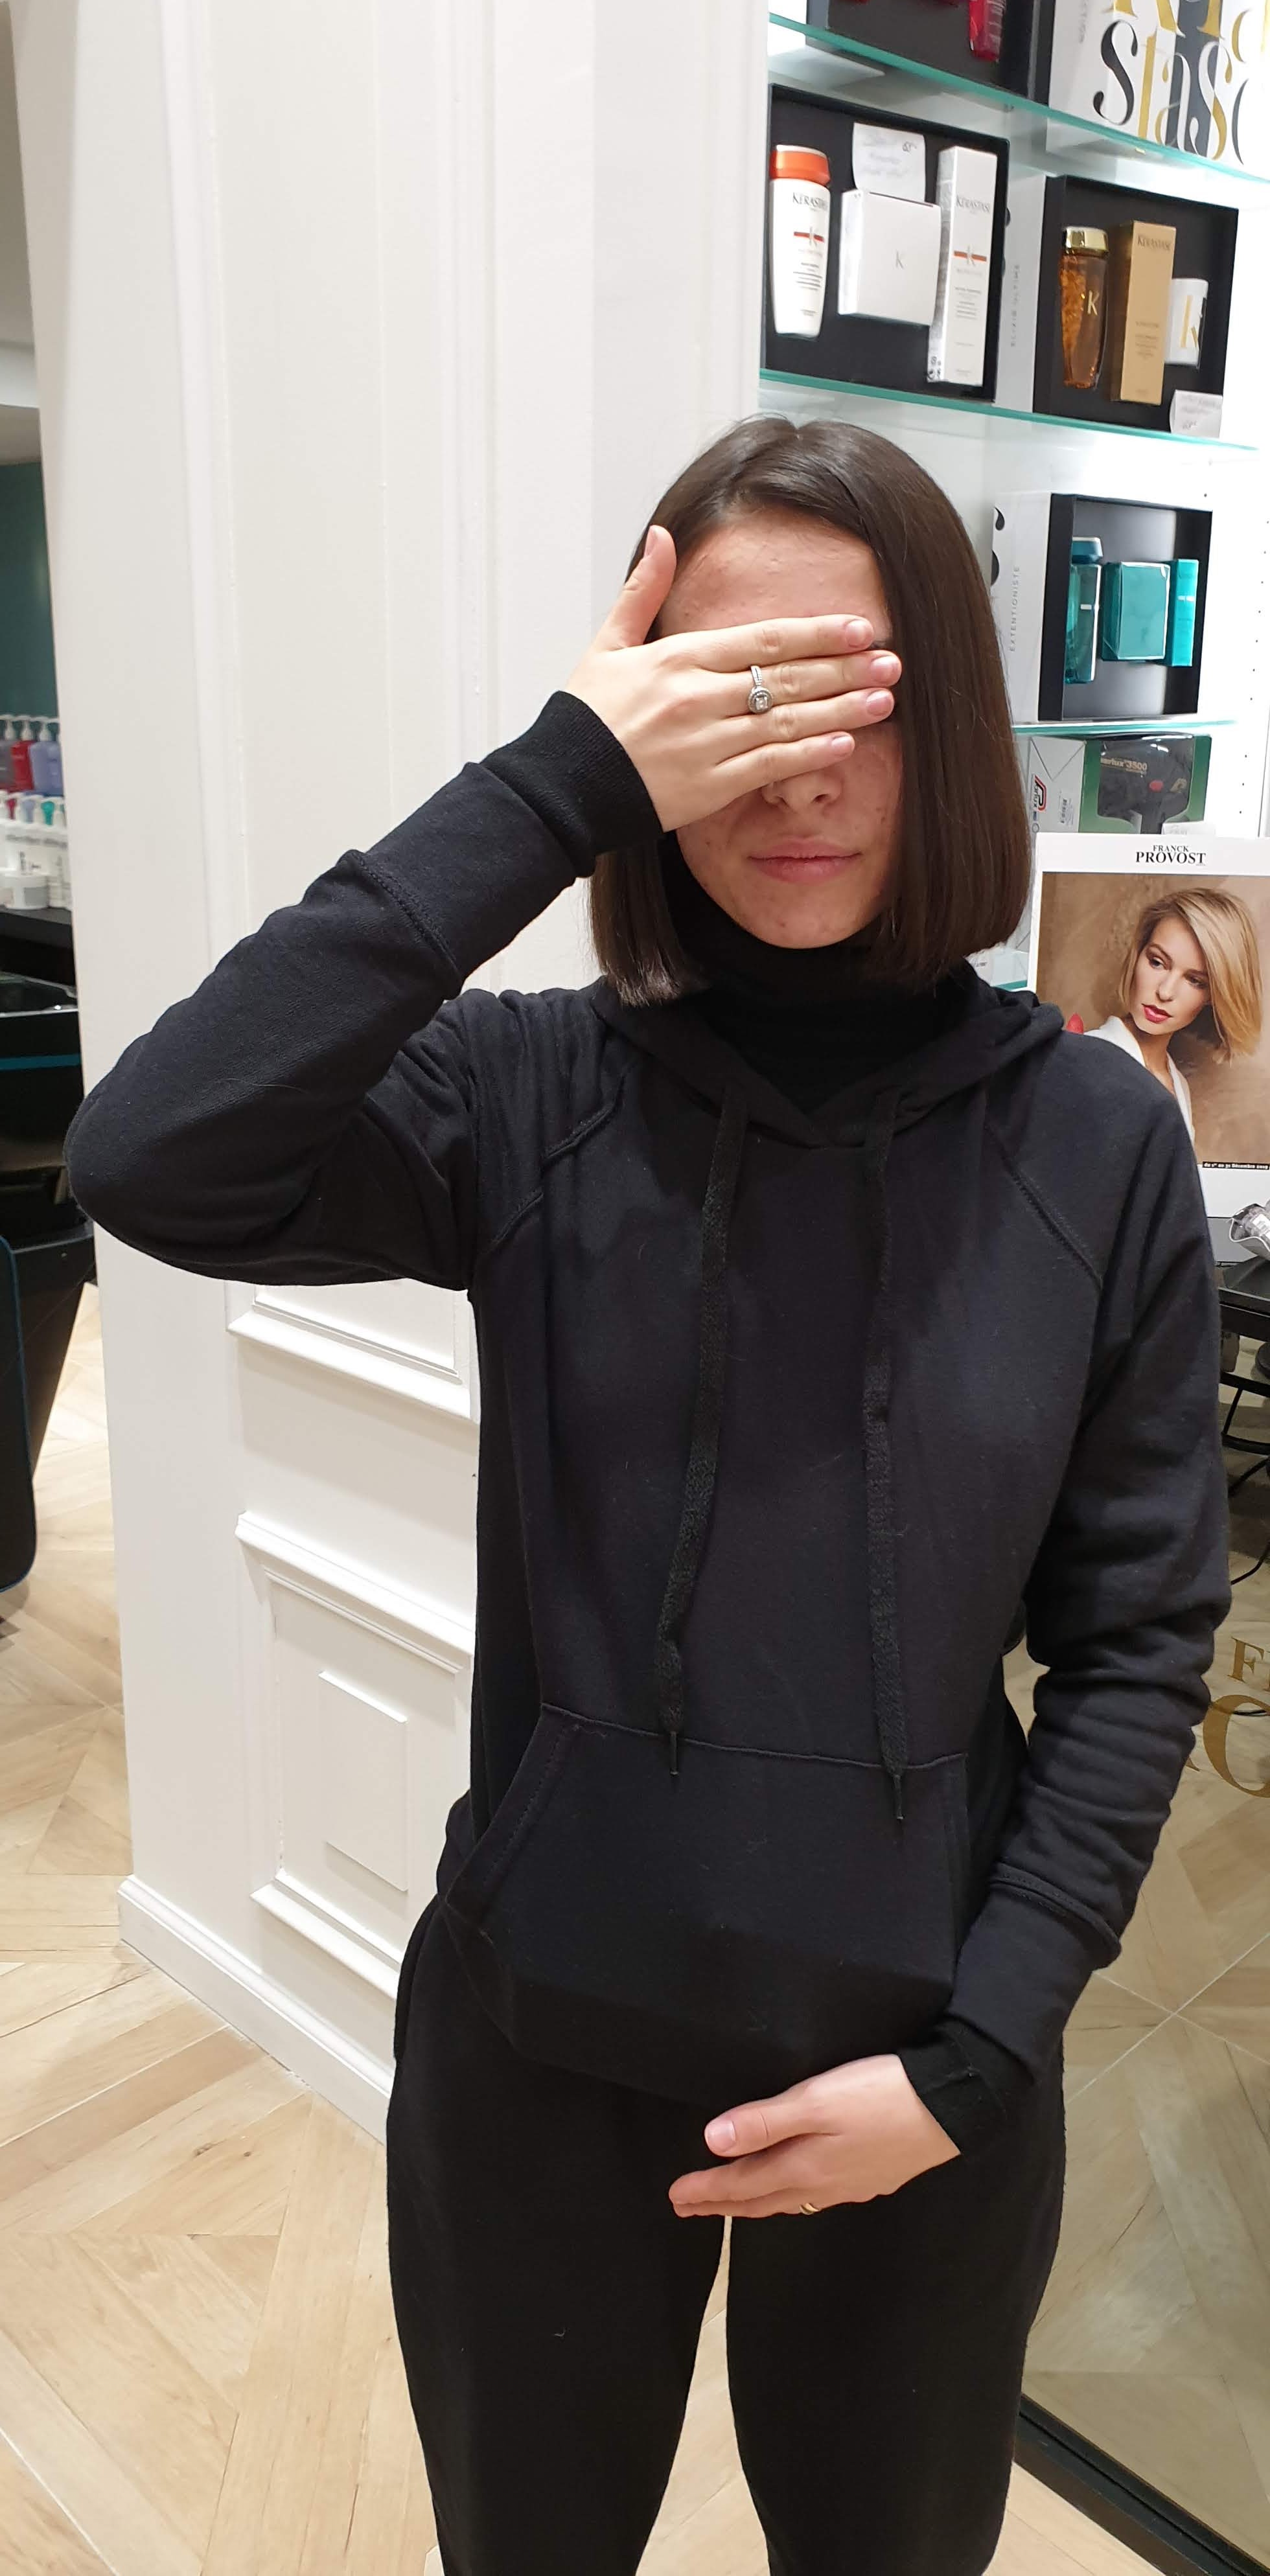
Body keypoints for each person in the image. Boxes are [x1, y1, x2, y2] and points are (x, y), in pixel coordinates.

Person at [61, 415, 1231, 2576]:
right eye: (726, 693)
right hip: (538, 2045)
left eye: (849, 691)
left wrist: (974, 2065)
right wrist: (551, 784)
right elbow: (151, 1153)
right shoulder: (532, 1094)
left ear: (951, 723)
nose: (793, 769)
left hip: (922, 2069)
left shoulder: (1093, 1145)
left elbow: (1142, 1639)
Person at [1083, 886, 1263, 1145]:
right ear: (1138, 954)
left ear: (1213, 995)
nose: (1165, 992)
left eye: (1195, 981)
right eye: (1157, 962)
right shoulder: (1087, 1061)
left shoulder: (1178, 1085)